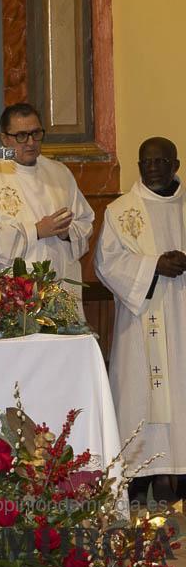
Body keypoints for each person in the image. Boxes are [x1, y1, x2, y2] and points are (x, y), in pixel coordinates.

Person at [95, 137, 186, 490]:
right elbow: (106, 263)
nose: (151, 168)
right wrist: (153, 266)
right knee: (140, 399)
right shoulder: (121, 211)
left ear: (175, 166)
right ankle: (138, 485)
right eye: (145, 162)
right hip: (141, 324)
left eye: (160, 161)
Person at [0, 103, 93, 314]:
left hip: (60, 287)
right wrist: (36, 230)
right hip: (15, 297)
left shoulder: (60, 173)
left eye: (36, 134)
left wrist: (66, 233)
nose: (30, 142)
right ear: (4, 138)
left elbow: (85, 222)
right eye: (21, 136)